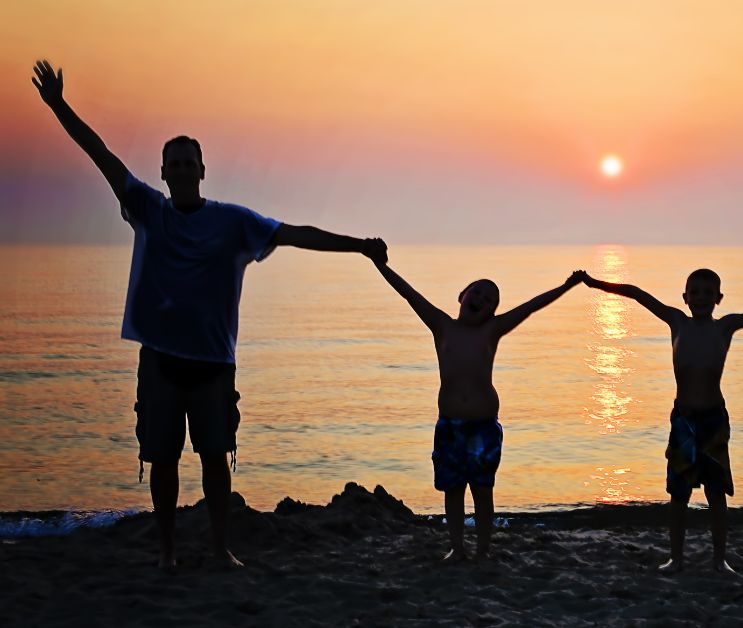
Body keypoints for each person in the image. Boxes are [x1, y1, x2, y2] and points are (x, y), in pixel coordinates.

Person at [31, 60, 388, 571]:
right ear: (162, 173)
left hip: (213, 363)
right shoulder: (148, 210)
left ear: (202, 170)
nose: (179, 170)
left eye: (187, 162)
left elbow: (294, 233)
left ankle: (220, 548)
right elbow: (100, 155)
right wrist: (59, 105)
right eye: (171, 163)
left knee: (216, 459)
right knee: (162, 460)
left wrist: (360, 247)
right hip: (160, 360)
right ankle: (168, 553)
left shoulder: (233, 222)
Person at [581, 268, 743, 573]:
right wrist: (594, 283)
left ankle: (719, 559)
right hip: (684, 420)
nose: (700, 298)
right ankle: (676, 557)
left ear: (719, 298)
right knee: (679, 495)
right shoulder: (676, 321)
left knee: (716, 493)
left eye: (707, 293)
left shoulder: (725, 327)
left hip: (713, 419)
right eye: (694, 292)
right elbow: (636, 293)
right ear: (684, 298)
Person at [366, 252, 584, 561]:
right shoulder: (441, 325)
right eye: (477, 291)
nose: (481, 298)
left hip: (483, 427)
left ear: (493, 312)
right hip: (450, 426)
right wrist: (379, 263)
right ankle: (457, 548)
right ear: (462, 295)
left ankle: (483, 550)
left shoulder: (491, 331)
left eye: (490, 299)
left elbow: (532, 306)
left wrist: (567, 286)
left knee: (482, 492)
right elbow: (408, 293)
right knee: (453, 492)